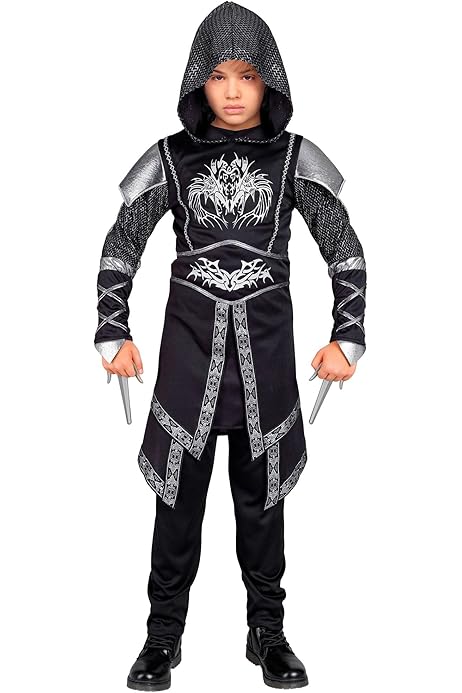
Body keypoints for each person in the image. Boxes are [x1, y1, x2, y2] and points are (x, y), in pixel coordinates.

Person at [94, 2, 367, 689]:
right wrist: (113, 329)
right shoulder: (170, 156)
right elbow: (122, 245)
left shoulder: (294, 157)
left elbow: (345, 251)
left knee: (263, 506)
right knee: (176, 507)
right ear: (199, 82)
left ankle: (267, 632)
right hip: (187, 363)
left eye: (247, 75)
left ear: (269, 79)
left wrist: (348, 337)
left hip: (266, 364)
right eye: (219, 76)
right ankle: (162, 636)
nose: (235, 90)